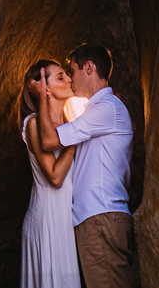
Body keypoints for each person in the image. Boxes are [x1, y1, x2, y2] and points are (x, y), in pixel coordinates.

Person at [38, 43, 138, 288]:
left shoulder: (107, 108)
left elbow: (50, 140)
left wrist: (42, 97)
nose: (70, 79)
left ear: (89, 68)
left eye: (71, 71)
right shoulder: (96, 112)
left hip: (101, 217)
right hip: (97, 219)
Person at [20, 59, 80, 288]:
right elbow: (55, 177)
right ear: (44, 88)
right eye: (61, 77)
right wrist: (75, 142)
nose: (69, 79)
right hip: (46, 218)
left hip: (65, 220)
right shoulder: (33, 124)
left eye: (67, 75)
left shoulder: (69, 123)